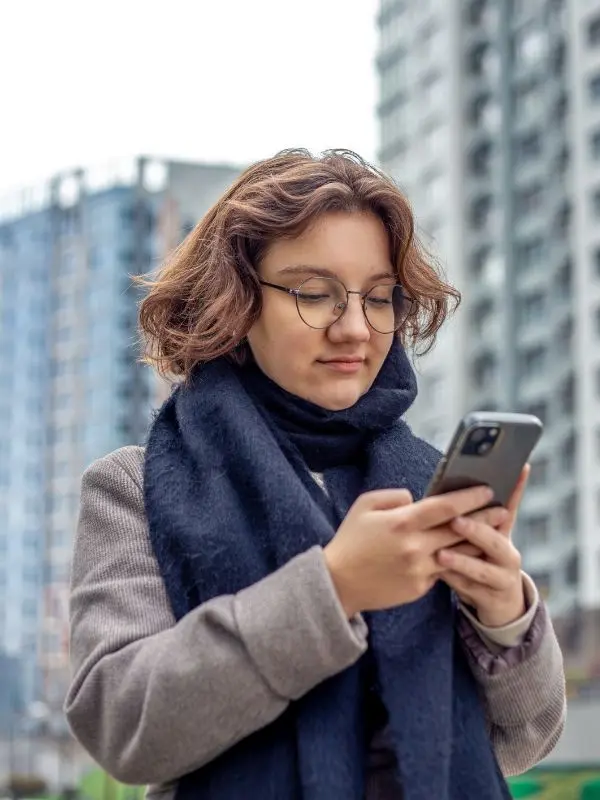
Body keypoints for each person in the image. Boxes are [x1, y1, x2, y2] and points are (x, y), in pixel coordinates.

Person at [65, 149, 566, 800]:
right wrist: (333, 589)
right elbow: (120, 720)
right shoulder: (133, 487)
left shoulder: (427, 484)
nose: (355, 328)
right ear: (236, 301)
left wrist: (504, 615)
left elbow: (526, 738)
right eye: (314, 294)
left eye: (379, 298)